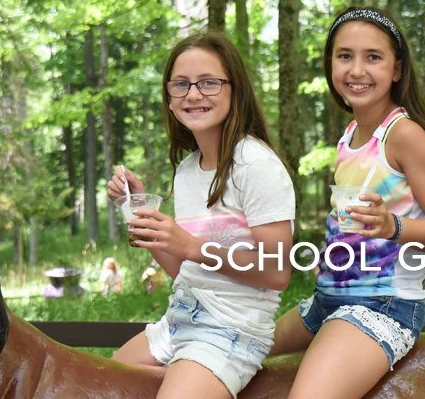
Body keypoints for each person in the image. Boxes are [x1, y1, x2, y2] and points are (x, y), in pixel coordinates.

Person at [268, 7, 425, 398]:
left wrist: (393, 226)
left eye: (372, 57)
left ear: (396, 69)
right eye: (345, 56)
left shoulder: (406, 134)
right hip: (327, 299)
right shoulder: (351, 133)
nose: (356, 70)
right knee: (240, 352)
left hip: (383, 305)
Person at [106, 33, 294, 399]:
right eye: (181, 85)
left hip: (231, 329)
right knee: (103, 385)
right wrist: (140, 213)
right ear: (170, 97)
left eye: (208, 83)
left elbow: (277, 272)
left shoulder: (256, 165)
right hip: (178, 320)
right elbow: (186, 270)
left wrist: (192, 246)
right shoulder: (188, 170)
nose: (193, 94)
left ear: (234, 89)